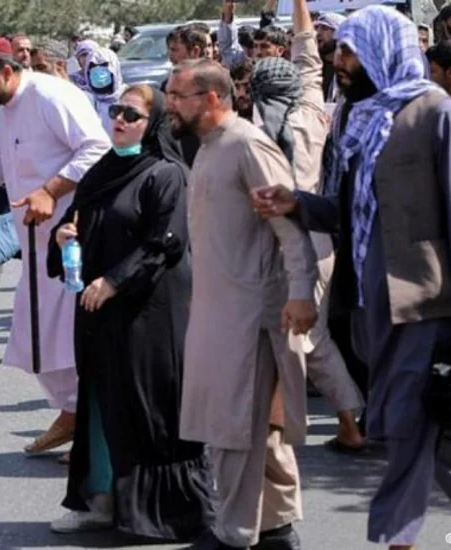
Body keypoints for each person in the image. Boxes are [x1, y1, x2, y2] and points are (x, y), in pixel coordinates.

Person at [251, 7, 451, 549]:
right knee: (404, 422)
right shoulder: (360, 117)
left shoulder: (434, 113)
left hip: (424, 302)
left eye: (348, 50)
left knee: (408, 421)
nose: (338, 61)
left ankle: (398, 540)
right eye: (337, 50)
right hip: (367, 301)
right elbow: (351, 210)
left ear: (383, 50)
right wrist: (296, 204)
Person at [46, 84, 214, 542]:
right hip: (99, 313)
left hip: (149, 315)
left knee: (149, 410)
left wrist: (115, 281)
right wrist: (62, 239)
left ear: (153, 123)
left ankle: (161, 513)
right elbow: (77, 221)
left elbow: (164, 244)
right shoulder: (102, 170)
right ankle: (100, 501)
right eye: (115, 111)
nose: (118, 120)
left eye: (131, 115)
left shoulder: (167, 174)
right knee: (101, 404)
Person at [167, 59, 318, 550]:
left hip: (249, 315)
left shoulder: (247, 144)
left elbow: (290, 229)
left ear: (212, 98)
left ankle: (234, 536)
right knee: (254, 427)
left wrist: (300, 293)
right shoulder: (210, 147)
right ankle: (276, 527)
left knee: (234, 430)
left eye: (178, 95)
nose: (169, 103)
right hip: (218, 313)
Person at [0, 34, 111, 459]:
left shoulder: (52, 95)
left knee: (70, 337)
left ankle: (92, 426)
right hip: (32, 246)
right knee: (34, 339)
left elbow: (98, 148)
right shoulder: (2, 112)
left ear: (8, 71)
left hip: (71, 239)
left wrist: (51, 191)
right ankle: (75, 415)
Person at [252, 0, 365, 453]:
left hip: (289, 237)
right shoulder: (313, 110)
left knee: (303, 336)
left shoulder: (262, 129)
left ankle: (347, 423)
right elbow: (307, 61)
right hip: (321, 232)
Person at [82, 48, 125, 135]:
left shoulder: (128, 98)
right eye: (93, 66)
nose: (98, 69)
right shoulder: (83, 100)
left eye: (103, 65)